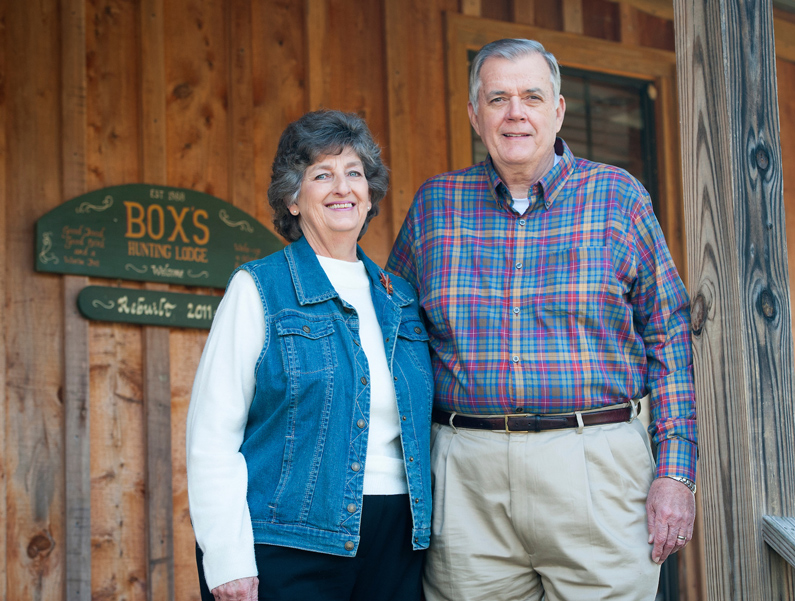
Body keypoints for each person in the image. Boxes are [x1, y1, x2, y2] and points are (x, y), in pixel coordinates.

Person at [387, 38, 697, 601]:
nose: (515, 113)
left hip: (596, 464)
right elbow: (395, 337)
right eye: (498, 97)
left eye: (532, 96)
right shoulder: (435, 206)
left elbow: (669, 335)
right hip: (466, 477)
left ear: (557, 110)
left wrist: (675, 473)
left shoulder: (618, 198)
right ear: (474, 113)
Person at [187, 110, 433, 601]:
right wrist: (227, 558)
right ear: (293, 199)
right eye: (322, 175)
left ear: (369, 193)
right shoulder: (259, 288)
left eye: (354, 173)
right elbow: (211, 437)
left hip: (397, 543)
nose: (342, 187)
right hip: (288, 540)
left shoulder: (401, 297)